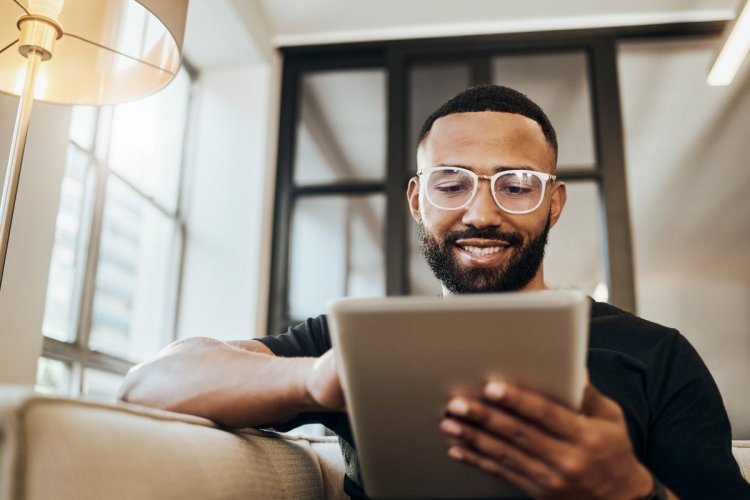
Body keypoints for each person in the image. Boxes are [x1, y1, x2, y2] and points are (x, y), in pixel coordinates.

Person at [119, 85, 750, 499]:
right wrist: (318, 380)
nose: (482, 213)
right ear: (419, 201)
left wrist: (628, 490)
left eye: (517, 184)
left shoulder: (655, 355)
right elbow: (149, 385)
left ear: (553, 204)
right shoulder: (354, 344)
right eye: (452, 183)